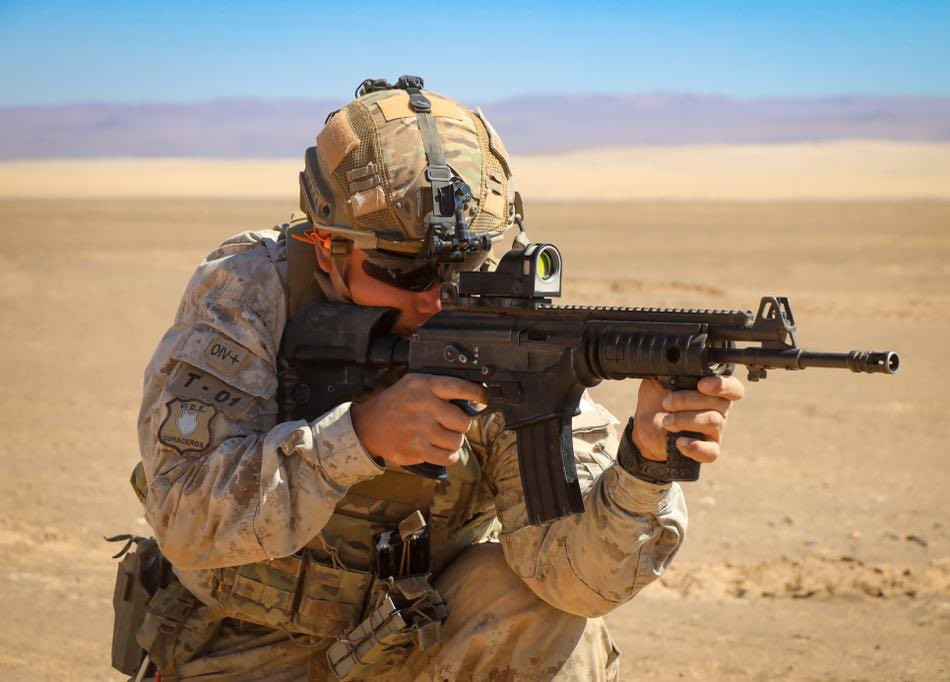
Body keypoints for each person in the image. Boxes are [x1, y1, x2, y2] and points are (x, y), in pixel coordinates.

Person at [128, 77, 744, 681]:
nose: (434, 301)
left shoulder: (503, 329)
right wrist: (357, 440)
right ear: (326, 249)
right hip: (246, 651)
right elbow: (184, 523)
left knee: (544, 617)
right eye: (404, 273)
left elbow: (577, 583)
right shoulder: (251, 293)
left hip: (418, 639)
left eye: (462, 270)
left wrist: (642, 468)